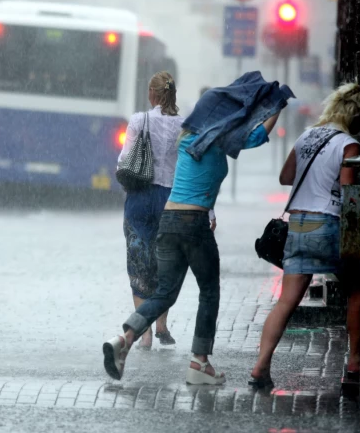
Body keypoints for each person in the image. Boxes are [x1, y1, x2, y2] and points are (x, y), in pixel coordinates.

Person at [104, 71, 293, 384]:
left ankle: (124, 339)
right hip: (193, 223)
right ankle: (199, 363)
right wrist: (277, 107)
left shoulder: (188, 135)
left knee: (164, 292)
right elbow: (258, 135)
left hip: (169, 221)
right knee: (209, 291)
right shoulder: (218, 139)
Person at [250, 83, 360, 387]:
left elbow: (285, 177)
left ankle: (260, 368)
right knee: (358, 291)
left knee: (286, 302)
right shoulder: (348, 144)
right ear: (354, 115)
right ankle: (354, 367)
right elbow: (348, 194)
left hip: (298, 226)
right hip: (327, 225)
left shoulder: (307, 136)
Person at [119, 71, 210, 349]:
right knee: (166, 263)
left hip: (139, 196)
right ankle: (161, 324)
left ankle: (143, 331)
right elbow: (195, 169)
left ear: (152, 94)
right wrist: (209, 211)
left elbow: (123, 159)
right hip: (172, 200)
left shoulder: (138, 120)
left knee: (138, 261)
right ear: (173, 95)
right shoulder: (186, 126)